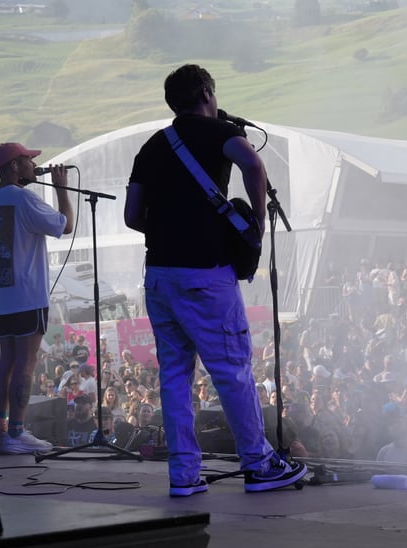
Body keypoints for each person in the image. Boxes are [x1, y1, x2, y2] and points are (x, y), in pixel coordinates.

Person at [123, 63, 306, 496]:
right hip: (204, 274)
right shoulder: (219, 134)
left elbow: (132, 216)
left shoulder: (150, 148)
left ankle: (184, 475)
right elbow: (253, 165)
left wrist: (170, 226)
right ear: (206, 92)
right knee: (231, 369)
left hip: (159, 275)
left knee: (174, 375)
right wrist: (256, 224)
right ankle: (259, 465)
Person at [0, 141, 76, 454]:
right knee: (26, 364)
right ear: (15, 166)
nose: (34, 166)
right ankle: (17, 434)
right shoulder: (24, 199)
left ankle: (0, 433)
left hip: (1, 294)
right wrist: (61, 189)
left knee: (6, 362)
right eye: (29, 161)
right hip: (29, 294)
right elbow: (66, 225)